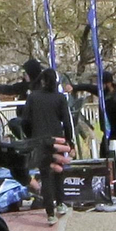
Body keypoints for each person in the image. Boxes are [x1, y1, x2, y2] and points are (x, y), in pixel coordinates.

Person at [20, 68, 74, 220]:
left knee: (45, 173)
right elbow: (67, 122)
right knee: (58, 170)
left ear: (42, 81)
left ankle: (50, 212)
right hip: (57, 139)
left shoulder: (33, 97)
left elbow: (24, 121)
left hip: (39, 139)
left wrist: (30, 136)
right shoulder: (60, 98)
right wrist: (70, 141)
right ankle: (61, 203)